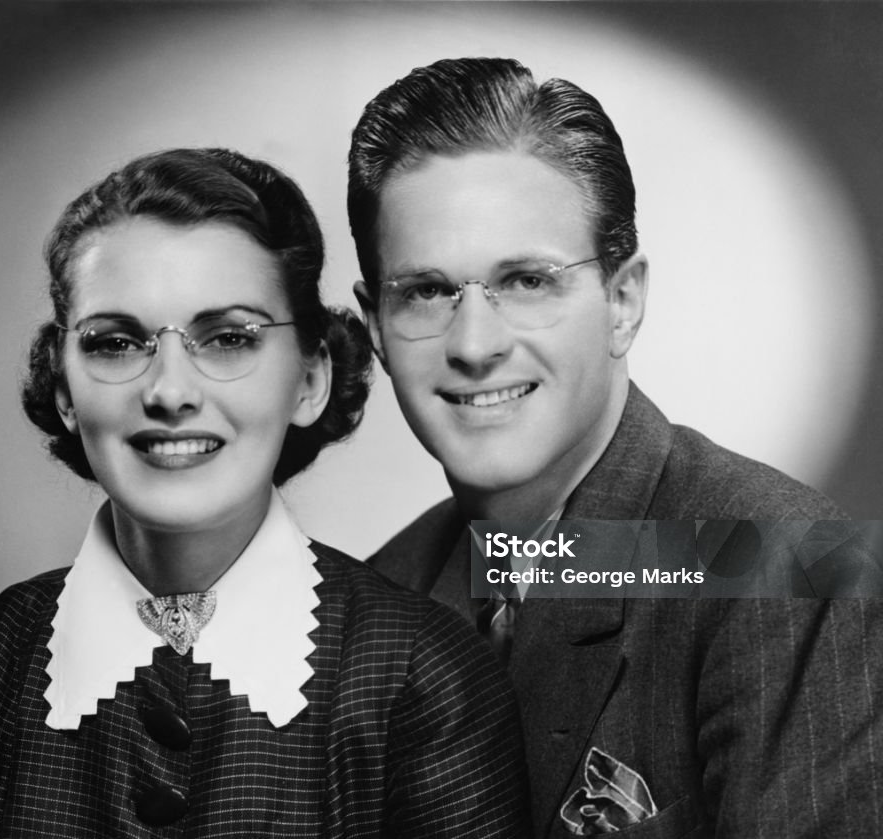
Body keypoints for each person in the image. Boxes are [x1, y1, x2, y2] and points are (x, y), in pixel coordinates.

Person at [0, 148, 529, 837]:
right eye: (116, 343)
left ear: (310, 379)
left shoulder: (426, 676)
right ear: (63, 389)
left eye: (229, 338)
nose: (171, 391)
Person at [347, 58, 883, 837]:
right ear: (376, 331)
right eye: (426, 291)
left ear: (623, 300)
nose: (474, 343)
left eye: (527, 280)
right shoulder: (371, 608)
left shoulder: (791, 568)